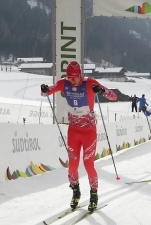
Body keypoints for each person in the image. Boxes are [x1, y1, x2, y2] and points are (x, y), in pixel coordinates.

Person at [40, 61, 117, 212]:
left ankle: (93, 194)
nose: (72, 80)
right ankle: (76, 191)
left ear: (80, 75)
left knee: (88, 165)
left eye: (74, 77)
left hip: (89, 131)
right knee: (72, 166)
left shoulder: (90, 83)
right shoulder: (64, 83)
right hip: (73, 131)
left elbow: (113, 96)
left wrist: (101, 91)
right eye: (69, 77)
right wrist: (44, 89)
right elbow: (46, 93)